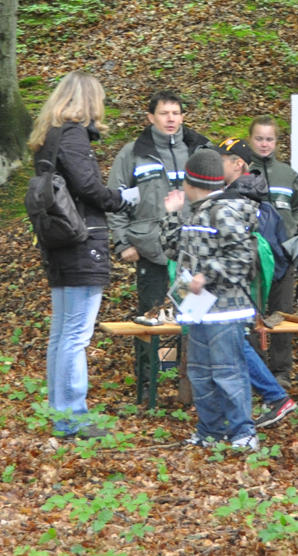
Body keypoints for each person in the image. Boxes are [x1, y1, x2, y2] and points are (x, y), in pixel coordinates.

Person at [27, 72, 128, 439]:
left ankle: (60, 412)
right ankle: (72, 417)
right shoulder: (72, 135)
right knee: (75, 336)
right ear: (88, 101)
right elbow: (88, 187)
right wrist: (120, 198)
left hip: (59, 244)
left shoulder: (48, 139)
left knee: (61, 334)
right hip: (81, 243)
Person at [107, 92, 210, 390]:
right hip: (149, 250)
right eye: (164, 113)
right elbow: (116, 201)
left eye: (176, 113)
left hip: (193, 253)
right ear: (150, 117)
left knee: (195, 319)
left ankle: (191, 387)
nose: (170, 119)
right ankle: (147, 386)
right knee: (150, 320)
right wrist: (122, 242)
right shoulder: (132, 154)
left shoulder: (199, 149)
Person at [160, 149, 261, 449]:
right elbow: (171, 249)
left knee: (229, 372)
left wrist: (206, 274)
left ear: (193, 183)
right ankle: (210, 431)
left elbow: (242, 255)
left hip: (225, 312)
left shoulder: (223, 211)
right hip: (197, 309)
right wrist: (171, 215)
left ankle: (244, 432)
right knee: (199, 374)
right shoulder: (196, 211)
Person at [216, 137, 298, 429]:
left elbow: (264, 254)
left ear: (238, 165)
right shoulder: (232, 196)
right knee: (228, 342)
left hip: (243, 291)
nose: (217, 165)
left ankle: (273, 398)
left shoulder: (246, 202)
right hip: (235, 290)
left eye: (222, 160)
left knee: (236, 342)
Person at [245, 117, 298, 386]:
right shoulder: (242, 170)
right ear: (251, 139)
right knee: (254, 315)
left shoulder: (287, 174)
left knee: (281, 315)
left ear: (276, 142)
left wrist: (291, 230)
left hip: (283, 256)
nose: (264, 144)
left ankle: (281, 371)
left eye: (269, 139)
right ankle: (257, 369)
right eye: (259, 138)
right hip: (253, 258)